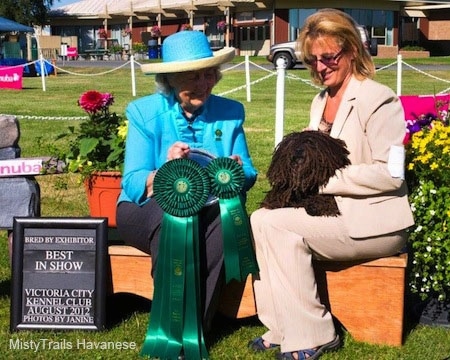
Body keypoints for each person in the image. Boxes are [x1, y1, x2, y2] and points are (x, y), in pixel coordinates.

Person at [248, 8, 414, 360]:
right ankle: (280, 326)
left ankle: (314, 333)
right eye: (312, 60)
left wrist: (319, 181)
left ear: (352, 50)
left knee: (277, 225)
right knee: (260, 219)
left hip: (375, 222)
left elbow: (391, 173)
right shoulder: (320, 100)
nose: (320, 67)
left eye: (328, 57)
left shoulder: (380, 99)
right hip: (334, 214)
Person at [116, 30, 257, 336]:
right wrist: (165, 170)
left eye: (209, 75)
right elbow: (132, 181)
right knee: (175, 219)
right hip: (145, 208)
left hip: (214, 208)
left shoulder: (231, 113)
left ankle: (190, 334)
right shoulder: (143, 112)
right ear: (170, 80)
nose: (204, 84)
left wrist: (234, 172)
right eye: (193, 78)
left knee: (224, 226)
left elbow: (249, 172)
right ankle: (174, 328)